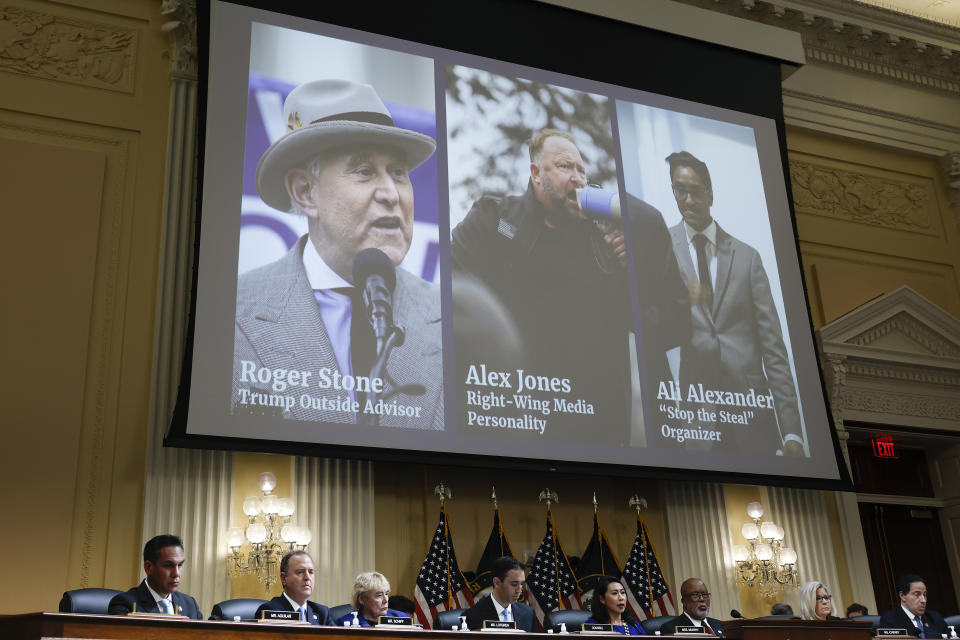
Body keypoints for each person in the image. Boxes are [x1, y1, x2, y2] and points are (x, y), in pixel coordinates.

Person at [452, 129, 687, 443]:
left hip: (590, 428)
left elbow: (673, 320)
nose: (577, 177)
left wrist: (613, 211)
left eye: (581, 170)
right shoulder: (494, 218)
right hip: (514, 418)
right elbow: (453, 286)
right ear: (536, 173)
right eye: (565, 167)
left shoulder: (602, 242)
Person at [233, 78, 442, 428]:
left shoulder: (453, 320)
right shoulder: (233, 310)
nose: (392, 193)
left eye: (398, 173)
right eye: (364, 171)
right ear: (305, 192)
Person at [665, 151, 804, 456]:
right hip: (696, 418)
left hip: (751, 413)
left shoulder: (748, 258)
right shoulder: (663, 249)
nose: (687, 200)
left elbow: (774, 349)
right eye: (679, 190)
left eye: (696, 192)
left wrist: (792, 430)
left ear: (710, 195)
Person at [107, 534, 202, 619]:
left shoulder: (190, 605)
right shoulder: (125, 604)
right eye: (168, 565)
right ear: (149, 567)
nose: (176, 573)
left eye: (180, 565)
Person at [255, 550, 332, 625]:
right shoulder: (270, 611)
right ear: (284, 578)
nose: (307, 577)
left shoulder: (322, 612)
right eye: (300, 572)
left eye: (311, 572)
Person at [463, 556, 535, 631]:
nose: (519, 590)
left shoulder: (528, 613)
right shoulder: (473, 616)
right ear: (497, 582)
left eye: (521, 584)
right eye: (514, 584)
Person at [878, 574, 948, 638]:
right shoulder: (889, 619)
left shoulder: (935, 618)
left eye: (925, 595)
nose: (923, 600)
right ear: (902, 596)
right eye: (917, 594)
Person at [335, 571, 409, 626]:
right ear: (362, 599)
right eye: (379, 595)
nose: (385, 600)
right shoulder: (346, 623)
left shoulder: (402, 618)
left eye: (386, 594)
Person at [659, 578, 725, 636]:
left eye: (705, 595)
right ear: (684, 601)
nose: (702, 599)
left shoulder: (720, 624)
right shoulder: (671, 628)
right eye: (695, 595)